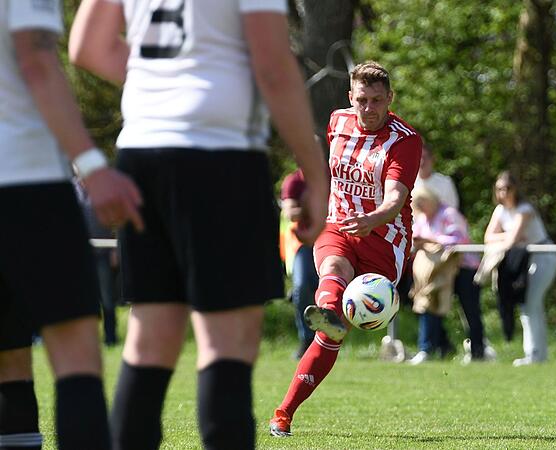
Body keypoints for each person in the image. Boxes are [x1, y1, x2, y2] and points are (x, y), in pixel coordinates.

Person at [69, 1, 328, 449]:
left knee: (149, 341)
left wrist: (161, 85)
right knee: (226, 345)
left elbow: (86, 47)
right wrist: (315, 174)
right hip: (220, 154)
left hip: (141, 152)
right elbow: (273, 67)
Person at [0, 1, 144, 448]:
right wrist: (93, 166)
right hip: (25, 179)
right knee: (75, 354)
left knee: (9, 355)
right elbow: (36, 59)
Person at [269, 61, 422, 437]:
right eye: (361, 100)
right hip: (338, 225)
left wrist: (373, 218)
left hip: (385, 241)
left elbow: (395, 199)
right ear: (350, 97)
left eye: (376, 101)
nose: (368, 109)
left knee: (331, 336)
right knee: (333, 272)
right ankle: (284, 412)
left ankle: (329, 322)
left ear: (390, 98)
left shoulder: (405, 141)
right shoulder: (337, 122)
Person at [484, 171, 556, 366]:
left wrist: (508, 237)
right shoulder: (500, 211)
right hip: (526, 260)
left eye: (507, 188)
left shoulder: (525, 209)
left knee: (530, 304)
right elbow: (489, 238)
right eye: (499, 189)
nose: (503, 193)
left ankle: (534, 353)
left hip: (544, 256)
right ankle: (538, 354)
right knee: (531, 306)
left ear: (515, 189)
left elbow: (513, 240)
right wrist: (507, 236)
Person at [407, 186, 489, 365]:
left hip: (463, 267)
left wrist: (431, 240)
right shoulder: (422, 218)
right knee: (430, 305)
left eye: (422, 203)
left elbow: (459, 240)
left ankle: (478, 351)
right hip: (438, 271)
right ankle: (431, 348)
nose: (421, 208)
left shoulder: (449, 214)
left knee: (470, 310)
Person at [74, 178, 121, 347]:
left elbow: (116, 219)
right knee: (81, 298)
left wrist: (115, 249)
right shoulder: (69, 189)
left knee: (107, 298)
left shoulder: (104, 187)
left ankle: (110, 338)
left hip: (104, 252)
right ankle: (84, 339)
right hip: (78, 254)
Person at [280, 169, 320, 359]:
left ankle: (326, 340)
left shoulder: (329, 177)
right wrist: (312, 208)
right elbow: (291, 214)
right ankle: (307, 339)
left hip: (328, 240)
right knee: (302, 286)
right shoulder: (294, 181)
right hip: (302, 244)